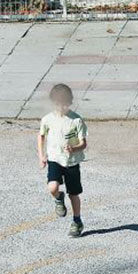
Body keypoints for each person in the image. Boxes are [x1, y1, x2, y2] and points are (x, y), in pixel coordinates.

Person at [37, 84, 88, 237]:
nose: (62, 107)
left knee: (73, 194)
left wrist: (74, 148)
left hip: (71, 162)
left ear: (70, 102)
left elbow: (83, 143)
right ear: (54, 103)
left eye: (65, 104)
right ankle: (59, 197)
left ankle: (77, 221)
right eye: (59, 104)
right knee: (52, 187)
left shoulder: (76, 120)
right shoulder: (47, 119)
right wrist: (42, 156)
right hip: (55, 159)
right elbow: (41, 136)